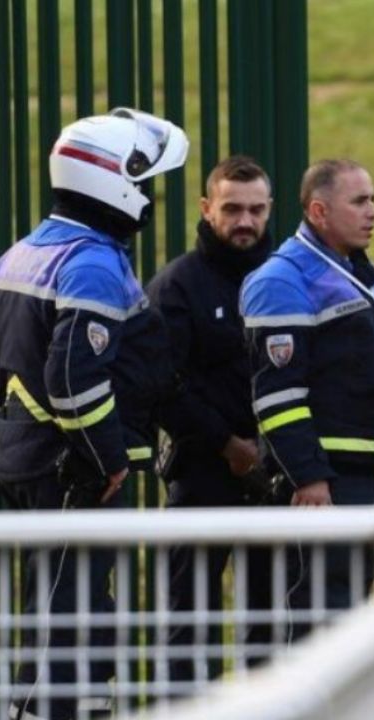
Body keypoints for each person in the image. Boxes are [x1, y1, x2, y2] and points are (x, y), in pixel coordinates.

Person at [0, 108, 189, 719]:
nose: (149, 196)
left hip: (26, 457)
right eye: (144, 180)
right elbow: (73, 377)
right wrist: (104, 460)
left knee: (56, 607)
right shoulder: (93, 263)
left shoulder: (23, 252)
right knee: (72, 614)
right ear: (112, 178)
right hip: (72, 468)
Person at [239, 158, 374, 636]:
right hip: (323, 486)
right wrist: (309, 478)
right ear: (319, 211)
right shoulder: (282, 280)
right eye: (359, 201)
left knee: (349, 621)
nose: (373, 211)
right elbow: (277, 396)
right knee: (314, 625)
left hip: (362, 479)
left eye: (373, 198)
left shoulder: (360, 273)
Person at [144, 155, 274, 685]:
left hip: (272, 475)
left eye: (257, 210)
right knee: (187, 620)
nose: (246, 222)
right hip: (200, 473)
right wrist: (227, 444)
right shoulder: (176, 285)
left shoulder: (284, 278)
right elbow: (160, 383)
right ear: (206, 208)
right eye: (233, 209)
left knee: (268, 621)